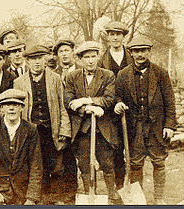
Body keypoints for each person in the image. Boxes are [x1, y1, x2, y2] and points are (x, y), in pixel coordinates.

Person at [114, 36, 176, 205]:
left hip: (156, 127)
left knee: (159, 162)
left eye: (143, 50)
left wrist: (169, 125)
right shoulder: (123, 74)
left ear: (149, 51)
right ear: (131, 53)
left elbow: (170, 101)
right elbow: (117, 96)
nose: (140, 54)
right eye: (136, 51)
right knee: (135, 164)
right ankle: (138, 200)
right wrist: (118, 103)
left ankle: (159, 198)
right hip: (135, 129)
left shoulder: (161, 73)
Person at [13, 45, 76, 205]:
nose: (36, 63)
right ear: (27, 61)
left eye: (40, 58)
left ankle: (56, 199)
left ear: (45, 59)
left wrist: (64, 129)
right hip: (32, 133)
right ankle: (41, 198)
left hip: (52, 131)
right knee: (36, 167)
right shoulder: (19, 82)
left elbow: (62, 106)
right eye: (33, 59)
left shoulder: (55, 78)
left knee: (56, 167)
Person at [63, 41, 120, 205]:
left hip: (103, 129)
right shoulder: (72, 77)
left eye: (93, 56)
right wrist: (88, 109)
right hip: (82, 130)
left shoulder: (108, 75)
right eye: (86, 57)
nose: (90, 61)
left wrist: (85, 100)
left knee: (107, 163)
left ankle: (112, 194)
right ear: (80, 59)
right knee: (85, 165)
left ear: (98, 57)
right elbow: (69, 102)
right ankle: (90, 193)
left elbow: (109, 99)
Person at [0, 89, 43, 205]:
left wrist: (31, 198)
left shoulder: (31, 129)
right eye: (7, 105)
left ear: (22, 108)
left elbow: (36, 166)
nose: (11, 109)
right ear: (1, 108)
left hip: (21, 191)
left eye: (16, 105)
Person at [98, 21, 133, 194]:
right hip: (111, 113)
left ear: (123, 37)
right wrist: (114, 104)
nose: (115, 37)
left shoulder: (132, 56)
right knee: (117, 150)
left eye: (118, 34)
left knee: (134, 150)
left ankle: (134, 184)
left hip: (132, 111)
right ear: (108, 37)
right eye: (112, 34)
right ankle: (120, 188)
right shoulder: (100, 60)